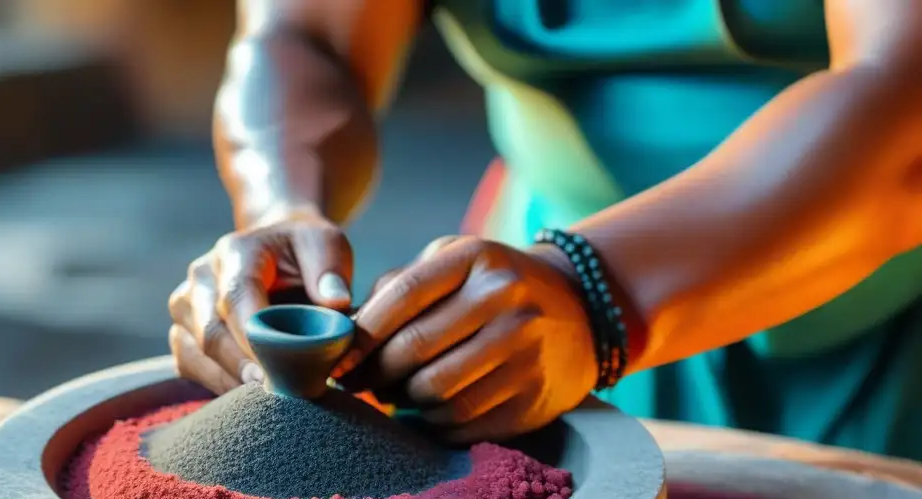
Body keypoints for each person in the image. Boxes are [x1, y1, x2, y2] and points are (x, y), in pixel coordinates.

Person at [169, 0, 922, 459]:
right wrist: (283, 211)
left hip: (876, 313)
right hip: (527, 317)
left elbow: (905, 92)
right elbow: (308, 35)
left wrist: (597, 295)